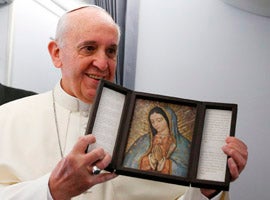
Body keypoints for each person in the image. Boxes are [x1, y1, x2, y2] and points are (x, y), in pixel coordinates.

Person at [0, 5, 248, 200]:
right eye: (88, 48)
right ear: (56, 53)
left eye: (111, 51)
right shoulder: (6, 119)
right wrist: (51, 190)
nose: (103, 63)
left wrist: (204, 192)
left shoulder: (138, 130)